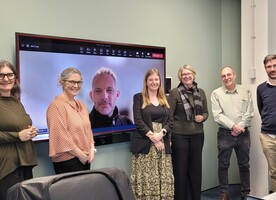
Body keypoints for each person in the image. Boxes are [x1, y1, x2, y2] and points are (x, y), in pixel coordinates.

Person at [130, 68, 174, 200]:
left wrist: (162, 134)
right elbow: (138, 121)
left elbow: (171, 121)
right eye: (151, 80)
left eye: (156, 79)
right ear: (146, 82)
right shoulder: (138, 97)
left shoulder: (166, 99)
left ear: (160, 81)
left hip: (163, 143)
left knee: (163, 175)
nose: (154, 82)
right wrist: (154, 138)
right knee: (147, 177)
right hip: (145, 144)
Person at [211, 66, 254, 200]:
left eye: (229, 75)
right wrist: (233, 126)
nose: (226, 78)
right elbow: (217, 115)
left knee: (244, 164)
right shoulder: (216, 93)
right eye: (223, 76)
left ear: (234, 75)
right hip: (225, 135)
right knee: (223, 165)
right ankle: (224, 193)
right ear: (221, 78)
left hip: (243, 134)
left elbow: (250, 112)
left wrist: (239, 127)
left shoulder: (245, 90)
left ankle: (245, 193)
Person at [169, 64, 209, 200]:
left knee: (195, 170)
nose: (186, 76)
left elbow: (206, 112)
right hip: (179, 137)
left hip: (198, 136)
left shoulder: (201, 92)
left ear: (194, 75)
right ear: (180, 77)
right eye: (183, 74)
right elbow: (169, 116)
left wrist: (202, 117)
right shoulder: (175, 92)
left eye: (189, 73)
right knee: (180, 171)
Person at [0, 60, 38, 200]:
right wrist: (18, 136)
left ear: (15, 78)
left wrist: (30, 132)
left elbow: (20, 126)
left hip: (25, 163)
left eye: (10, 75)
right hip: (6, 167)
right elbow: (18, 134)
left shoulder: (16, 101)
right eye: (1, 75)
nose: (6, 79)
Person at [47, 67, 95, 174]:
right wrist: (80, 155)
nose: (76, 86)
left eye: (79, 82)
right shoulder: (56, 106)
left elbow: (88, 130)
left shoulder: (82, 105)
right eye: (72, 82)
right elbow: (61, 136)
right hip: (67, 161)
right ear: (62, 82)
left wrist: (92, 149)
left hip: (85, 158)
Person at [257, 54, 276, 193]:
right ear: (265, 69)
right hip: (268, 137)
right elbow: (261, 109)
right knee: (274, 173)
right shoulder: (261, 88)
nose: (272, 69)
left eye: (274, 65)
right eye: (269, 66)